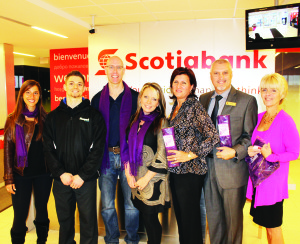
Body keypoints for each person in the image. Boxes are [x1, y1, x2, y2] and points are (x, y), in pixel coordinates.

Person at [43, 70, 106, 244]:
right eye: (71, 83)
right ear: (64, 86)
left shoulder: (94, 116)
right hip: (61, 179)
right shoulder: (53, 117)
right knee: (65, 221)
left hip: (86, 180)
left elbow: (98, 149)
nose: (75, 87)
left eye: (79, 83)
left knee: (88, 221)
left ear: (84, 88)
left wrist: (82, 176)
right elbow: (48, 149)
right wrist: (61, 173)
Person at [199, 59, 258, 244]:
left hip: (232, 171)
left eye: (224, 73)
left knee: (232, 225)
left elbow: (250, 137)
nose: (220, 77)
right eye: (216, 73)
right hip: (208, 170)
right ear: (210, 76)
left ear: (231, 75)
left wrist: (234, 152)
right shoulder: (204, 99)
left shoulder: (246, 100)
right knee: (215, 223)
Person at [167, 67, 219, 244]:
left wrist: (189, 155)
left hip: (190, 172)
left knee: (190, 220)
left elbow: (212, 136)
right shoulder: (175, 107)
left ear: (191, 87)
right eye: (176, 82)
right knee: (182, 218)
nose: (179, 86)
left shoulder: (194, 106)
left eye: (184, 82)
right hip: (175, 172)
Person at [91, 56, 140, 244]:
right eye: (111, 67)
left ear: (124, 70)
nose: (115, 71)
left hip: (129, 157)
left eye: (119, 67)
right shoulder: (97, 100)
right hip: (106, 157)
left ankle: (132, 239)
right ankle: (111, 239)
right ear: (105, 69)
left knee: (131, 205)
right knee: (107, 206)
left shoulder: (135, 98)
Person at [246, 73, 299, 244]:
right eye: (264, 90)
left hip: (273, 185)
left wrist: (272, 156)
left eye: (273, 90)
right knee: (268, 228)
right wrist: (252, 150)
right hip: (259, 181)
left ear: (282, 94)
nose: (268, 94)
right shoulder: (260, 117)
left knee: (274, 229)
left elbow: (295, 152)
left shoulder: (286, 121)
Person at [4, 80, 52, 244]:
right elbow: (8, 151)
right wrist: (9, 178)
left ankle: (42, 241)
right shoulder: (13, 119)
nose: (32, 96)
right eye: (28, 92)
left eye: (36, 93)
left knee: (42, 212)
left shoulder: (46, 118)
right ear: (22, 95)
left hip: (44, 174)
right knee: (20, 215)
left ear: (40, 96)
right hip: (20, 175)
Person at [126, 83, 170, 244]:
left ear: (158, 102)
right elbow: (126, 148)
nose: (149, 102)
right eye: (146, 97)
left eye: (154, 99)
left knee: (151, 220)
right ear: (140, 98)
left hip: (153, 179)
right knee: (145, 216)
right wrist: (128, 173)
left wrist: (146, 179)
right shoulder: (134, 120)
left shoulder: (163, 122)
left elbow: (163, 153)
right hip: (137, 177)